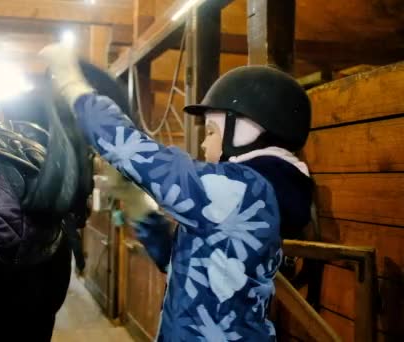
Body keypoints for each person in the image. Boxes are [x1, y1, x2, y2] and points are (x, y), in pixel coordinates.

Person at [39, 43, 314, 341]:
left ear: (247, 131)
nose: (205, 145)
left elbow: (137, 153)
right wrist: (139, 208)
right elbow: (182, 262)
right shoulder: (255, 197)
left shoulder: (244, 190)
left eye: (210, 131)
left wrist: (72, 85)